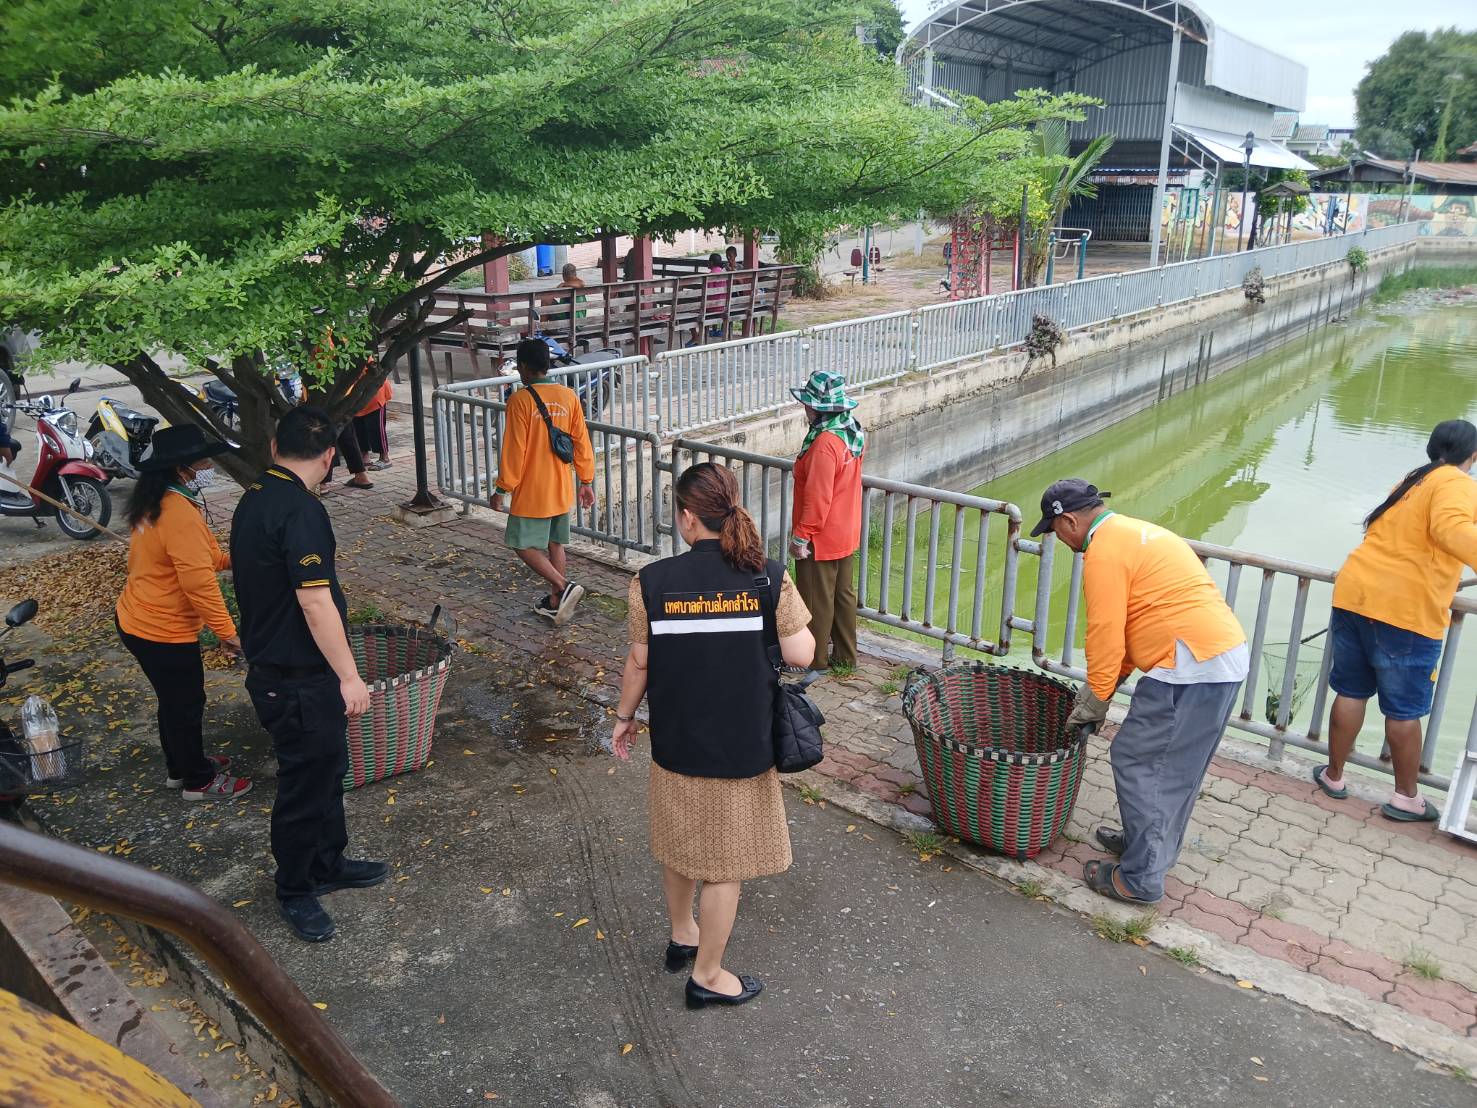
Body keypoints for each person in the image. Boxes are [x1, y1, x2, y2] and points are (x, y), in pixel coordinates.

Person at [610, 462, 815, 1009]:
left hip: (676, 739)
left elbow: (639, 661)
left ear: (686, 517)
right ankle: (707, 976)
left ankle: (683, 935)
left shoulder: (651, 582)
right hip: (742, 743)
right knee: (725, 864)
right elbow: (801, 654)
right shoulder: (766, 576)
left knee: (680, 846)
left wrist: (624, 717)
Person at [1035, 479, 1248, 906]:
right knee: (1175, 769)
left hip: (1188, 668)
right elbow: (1133, 637)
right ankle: (1146, 847)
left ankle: (1140, 877)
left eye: (1055, 531)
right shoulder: (1134, 533)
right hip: (1215, 658)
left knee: (1141, 761)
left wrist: (1094, 700)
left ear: (1069, 520)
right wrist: (1105, 688)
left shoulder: (1104, 554)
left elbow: (1105, 635)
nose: (1058, 539)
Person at [230, 406, 384, 943]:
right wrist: (350, 676)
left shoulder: (255, 495)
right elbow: (315, 602)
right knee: (304, 782)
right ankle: (295, 887)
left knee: (328, 769)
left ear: (276, 445)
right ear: (328, 457)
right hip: (294, 675)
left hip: (289, 668)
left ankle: (328, 861)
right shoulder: (299, 510)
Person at [1315, 420, 1477, 822]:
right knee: (1404, 710)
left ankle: (1334, 776)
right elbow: (1452, 530)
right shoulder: (1456, 483)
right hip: (1404, 613)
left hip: (1357, 595)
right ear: (1472, 456)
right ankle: (1406, 797)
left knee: (1351, 691)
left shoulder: (1414, 478)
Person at [115, 425, 252, 801]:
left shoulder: (161, 500)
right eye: (203, 461)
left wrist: (242, 559)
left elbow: (202, 558)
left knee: (174, 701)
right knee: (186, 703)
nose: (209, 466)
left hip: (138, 618)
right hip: (159, 629)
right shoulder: (177, 512)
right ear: (182, 468)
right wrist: (229, 633)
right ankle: (198, 781)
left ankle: (181, 766)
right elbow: (198, 583)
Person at [491, 338, 596, 625]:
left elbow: (515, 449)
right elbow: (581, 442)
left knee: (520, 543)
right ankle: (555, 602)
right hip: (561, 486)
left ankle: (563, 587)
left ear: (523, 366)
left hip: (533, 488)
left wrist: (502, 488)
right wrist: (586, 480)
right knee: (555, 544)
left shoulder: (520, 400)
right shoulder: (569, 396)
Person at [788, 370, 864, 671]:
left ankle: (814, 661)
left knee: (815, 601)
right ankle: (846, 657)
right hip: (846, 529)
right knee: (843, 596)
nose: (804, 408)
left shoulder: (824, 445)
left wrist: (801, 537)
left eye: (807, 403)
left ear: (817, 409)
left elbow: (818, 497)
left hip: (821, 535)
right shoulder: (851, 432)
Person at [353, 376, 393, 471]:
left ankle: (384, 458)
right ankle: (364, 456)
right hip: (357, 398)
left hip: (374, 396)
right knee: (359, 427)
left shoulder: (367, 362)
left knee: (376, 428)